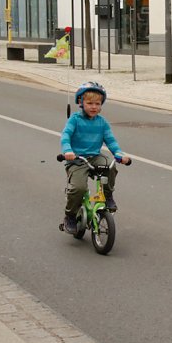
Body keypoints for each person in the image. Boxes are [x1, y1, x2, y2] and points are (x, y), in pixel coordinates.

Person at [60, 82, 132, 233]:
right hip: (77, 159)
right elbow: (66, 136)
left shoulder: (102, 123)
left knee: (110, 166)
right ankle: (70, 216)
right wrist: (68, 150)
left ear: (101, 105)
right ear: (81, 103)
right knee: (78, 188)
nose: (94, 107)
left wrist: (119, 154)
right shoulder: (75, 119)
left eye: (97, 104)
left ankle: (108, 195)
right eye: (89, 103)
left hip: (95, 156)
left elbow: (111, 141)